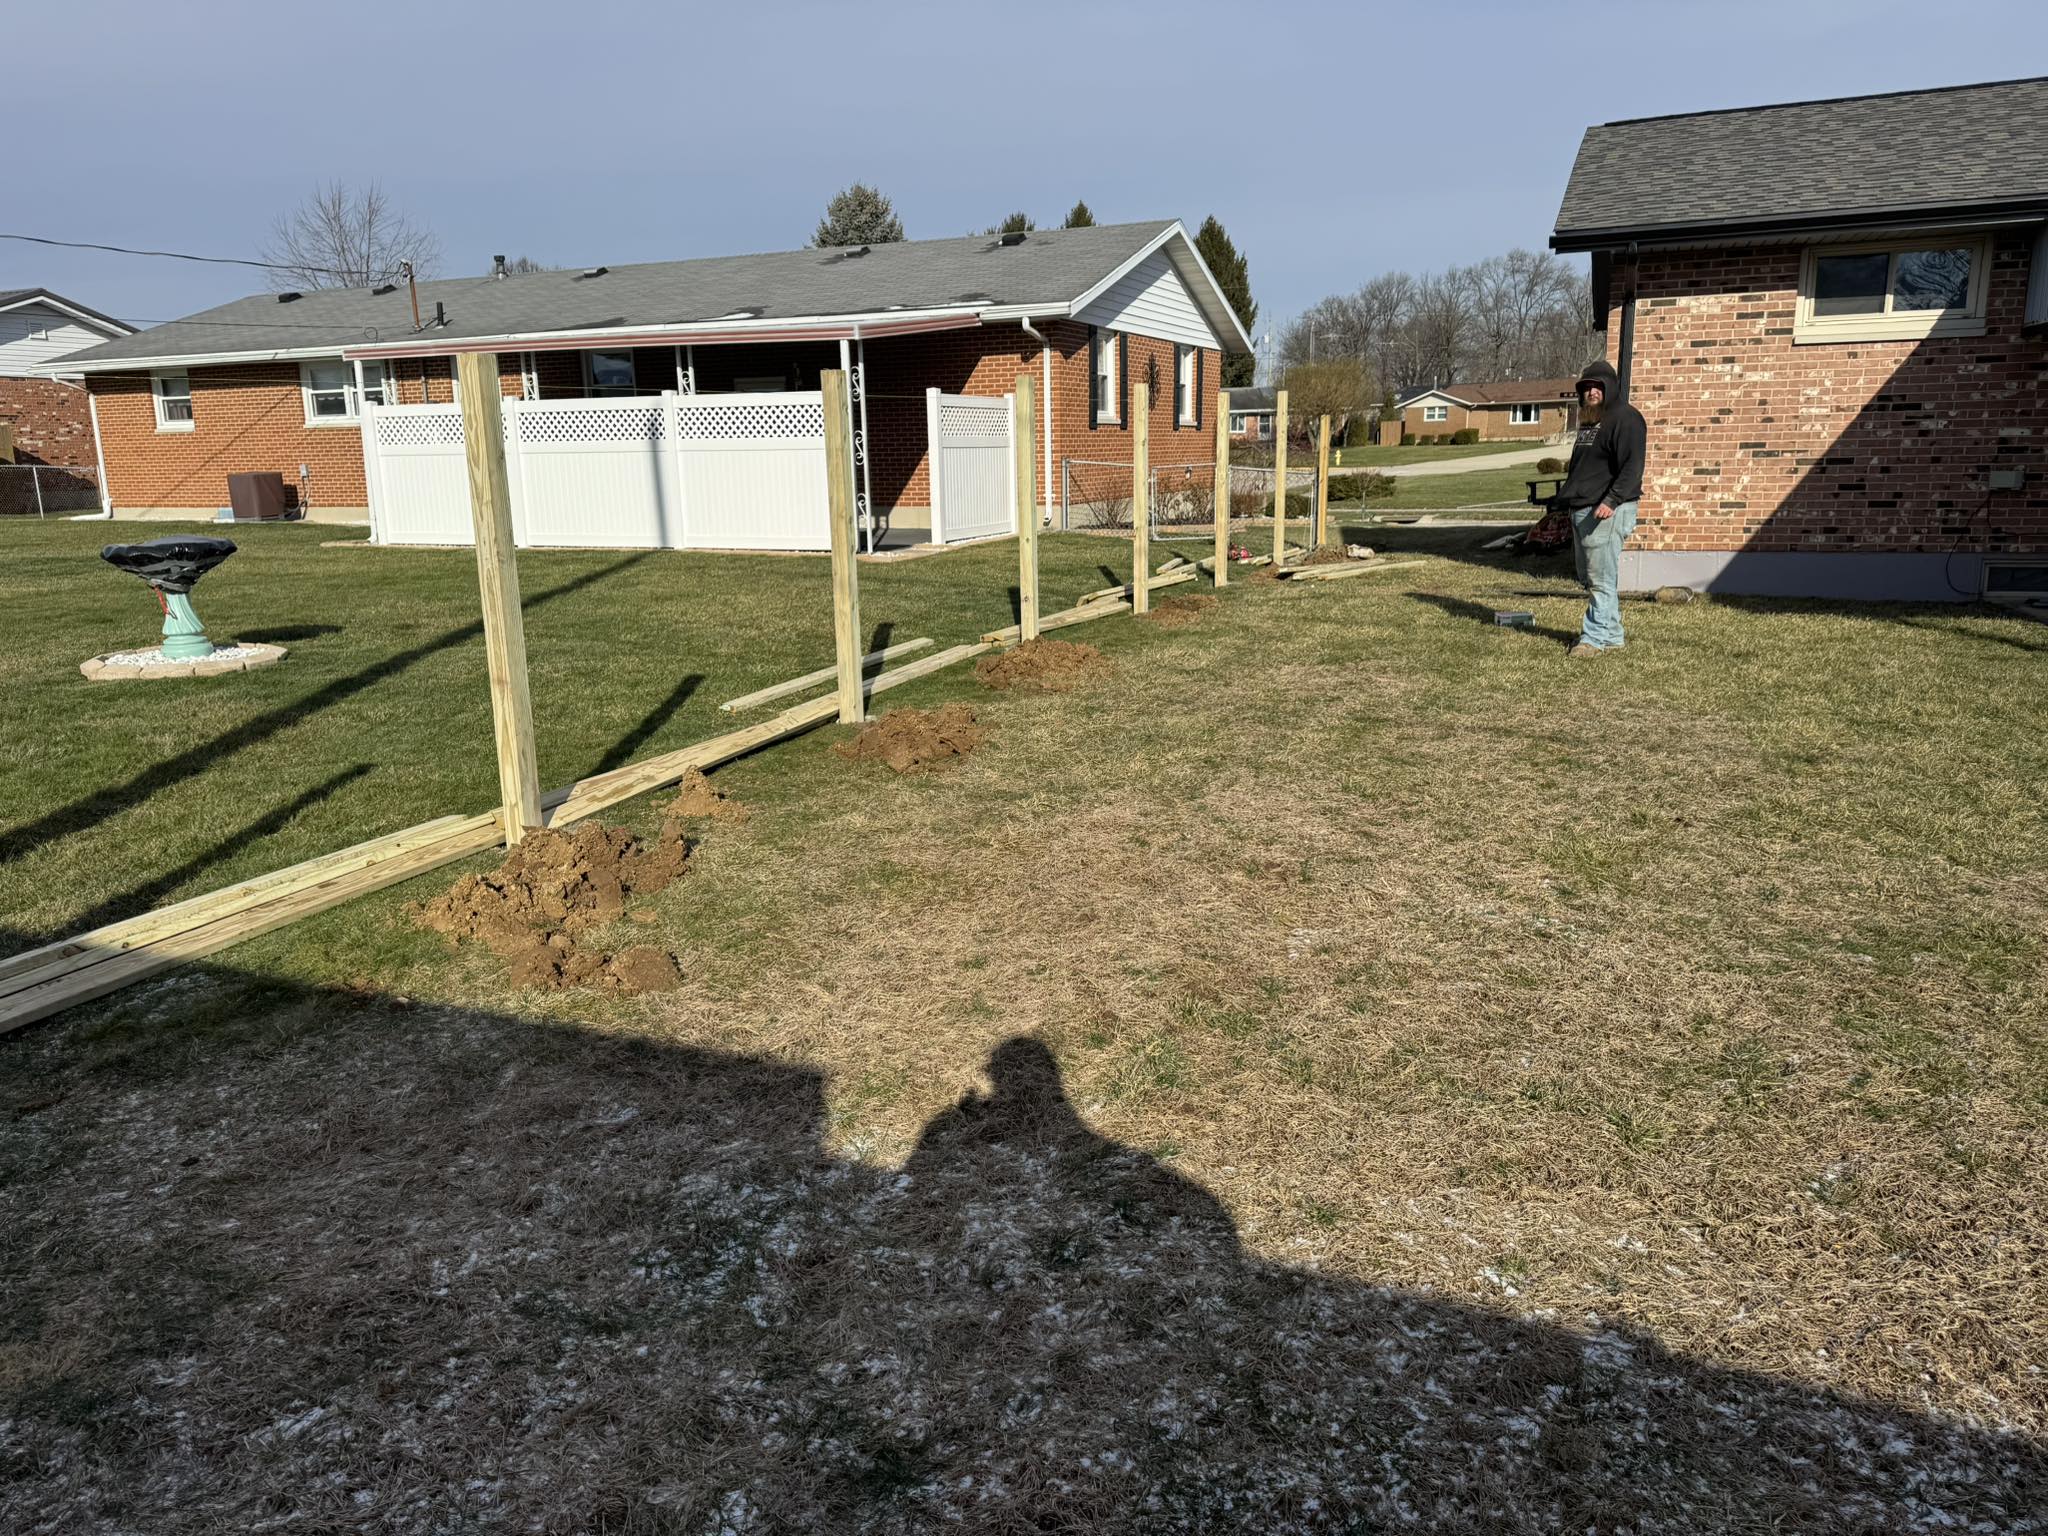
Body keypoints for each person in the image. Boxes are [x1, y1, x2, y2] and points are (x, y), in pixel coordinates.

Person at [1557, 358, 1646, 656]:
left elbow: (1632, 468)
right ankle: (1612, 635)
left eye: (1597, 386)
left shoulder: (1626, 418)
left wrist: (1611, 501)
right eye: (1587, 387)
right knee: (1590, 576)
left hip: (1606, 511)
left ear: (1610, 388)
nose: (1591, 392)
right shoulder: (1591, 420)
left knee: (1600, 579)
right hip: (1583, 508)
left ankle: (1593, 639)